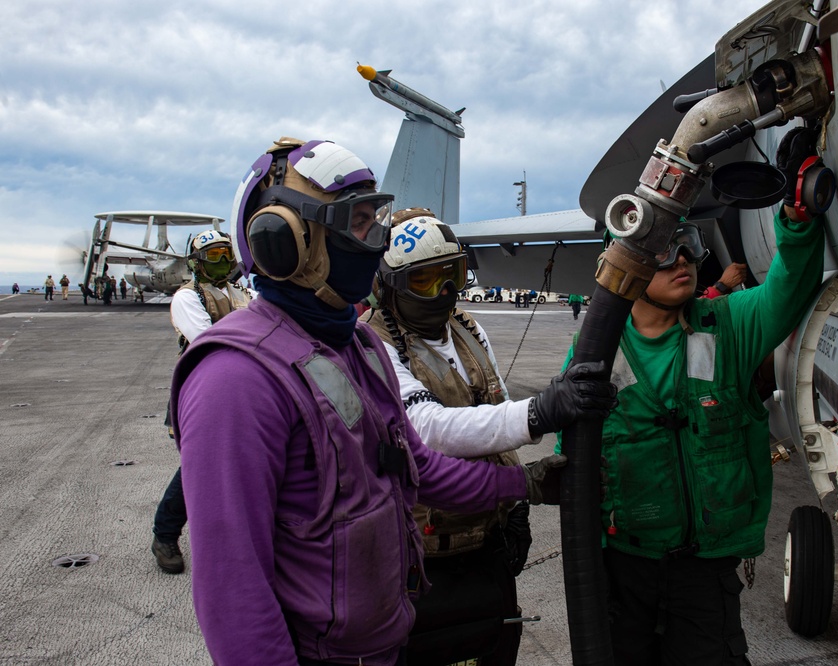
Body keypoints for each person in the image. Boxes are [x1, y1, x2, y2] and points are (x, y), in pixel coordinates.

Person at [171, 137, 604, 665]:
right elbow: (234, 590)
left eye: (375, 219)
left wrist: (524, 483)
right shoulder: (235, 379)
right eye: (355, 222)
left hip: (390, 642)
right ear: (285, 240)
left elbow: (416, 468)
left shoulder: (361, 346)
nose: (374, 240)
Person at [561, 127, 828, 665]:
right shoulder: (595, 350)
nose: (682, 260)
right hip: (625, 568)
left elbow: (786, 292)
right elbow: (574, 456)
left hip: (704, 571)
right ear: (630, 265)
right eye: (664, 252)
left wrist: (796, 218)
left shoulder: (729, 324)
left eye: (689, 248)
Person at [363, 209, 616, 665]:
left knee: (493, 644)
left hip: (487, 537)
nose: (444, 292)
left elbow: (494, 408)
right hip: (422, 555)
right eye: (425, 281)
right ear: (389, 286)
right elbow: (428, 429)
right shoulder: (370, 344)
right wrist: (539, 413)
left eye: (452, 274)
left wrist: (517, 505)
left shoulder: (466, 327)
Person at [151, 228, 253, 574]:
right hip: (203, 392)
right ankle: (164, 536)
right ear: (197, 262)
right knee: (197, 469)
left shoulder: (242, 291)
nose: (223, 262)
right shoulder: (186, 297)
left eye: (227, 254)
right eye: (214, 256)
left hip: (246, 390)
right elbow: (209, 341)